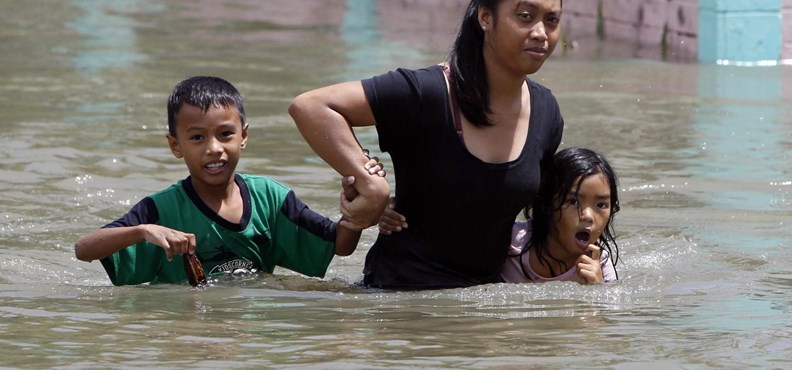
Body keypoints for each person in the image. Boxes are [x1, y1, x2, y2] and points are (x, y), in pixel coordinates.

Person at [288, 0, 564, 289]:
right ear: (486, 17)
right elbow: (311, 107)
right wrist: (373, 188)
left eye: (552, 21)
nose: (540, 33)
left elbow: (539, 217)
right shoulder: (428, 93)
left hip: (485, 308)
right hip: (398, 303)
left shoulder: (546, 112)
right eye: (525, 17)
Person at [74, 76, 384, 286]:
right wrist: (143, 231)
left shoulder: (271, 199)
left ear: (244, 136)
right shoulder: (161, 211)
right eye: (197, 137)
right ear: (175, 146)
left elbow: (339, 246)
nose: (214, 148)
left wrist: (358, 211)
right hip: (187, 330)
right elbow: (84, 249)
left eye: (225, 134)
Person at [380, 147, 620, 284]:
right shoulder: (511, 243)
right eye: (572, 202)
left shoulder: (599, 263)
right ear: (546, 205)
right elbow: (451, 233)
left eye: (601, 205)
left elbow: (598, 330)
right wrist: (397, 214)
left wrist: (595, 293)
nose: (588, 216)